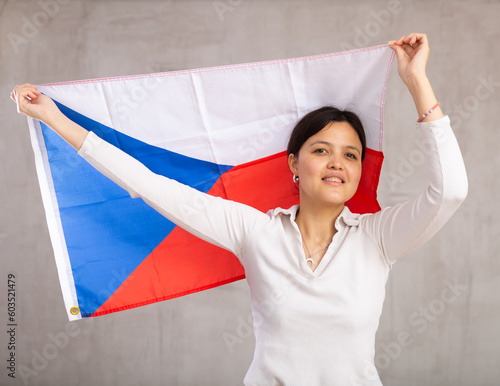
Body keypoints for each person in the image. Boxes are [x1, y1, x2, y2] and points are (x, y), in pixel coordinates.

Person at [11, 33, 467, 385]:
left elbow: (449, 193)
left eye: (350, 154)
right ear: (294, 164)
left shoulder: (377, 238)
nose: (337, 163)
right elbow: (149, 185)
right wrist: (54, 117)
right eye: (322, 150)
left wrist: (417, 82)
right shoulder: (256, 231)